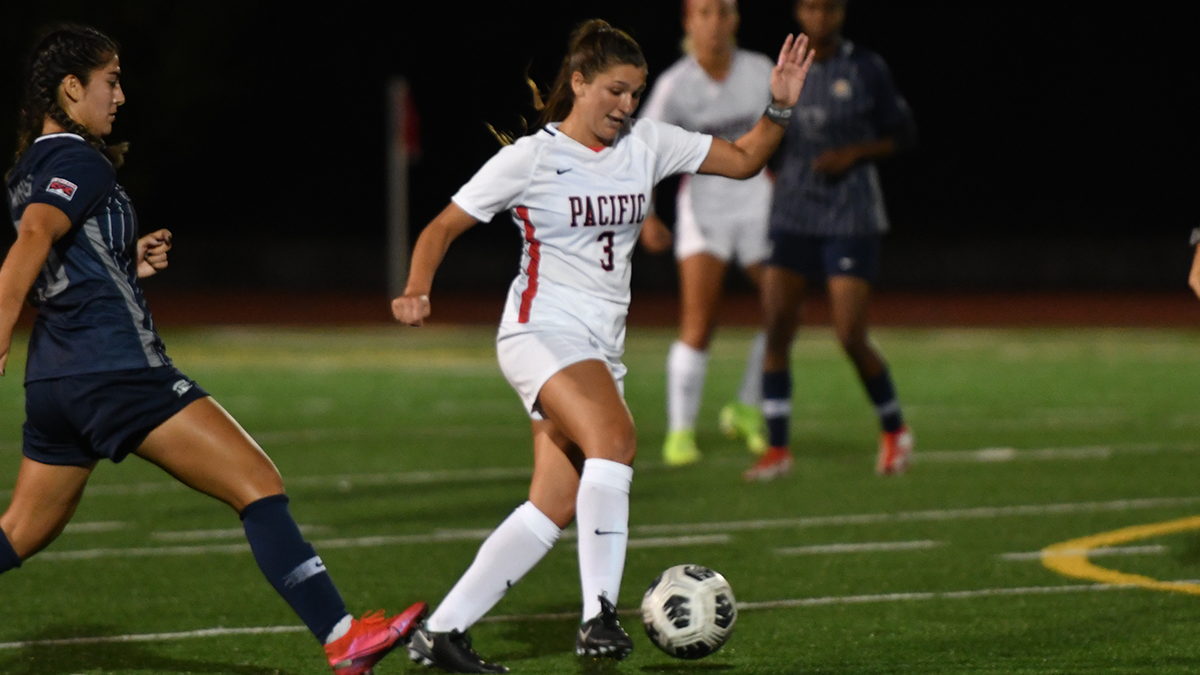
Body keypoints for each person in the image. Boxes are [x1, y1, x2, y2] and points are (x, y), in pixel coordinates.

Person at [0, 25, 426, 675]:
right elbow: (33, 238)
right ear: (70, 87)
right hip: (114, 369)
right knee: (258, 482)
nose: (120, 95)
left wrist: (127, 262)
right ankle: (341, 633)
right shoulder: (80, 158)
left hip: (55, 381)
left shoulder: (29, 165)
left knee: (19, 531)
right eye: (110, 81)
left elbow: (63, 263)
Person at [392, 19, 813, 673]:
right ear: (580, 83)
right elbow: (442, 226)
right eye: (615, 90)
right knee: (614, 440)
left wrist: (780, 104)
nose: (627, 105)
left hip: (597, 347)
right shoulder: (531, 158)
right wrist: (417, 287)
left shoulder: (647, 142)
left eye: (637, 93)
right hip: (538, 332)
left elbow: (746, 158)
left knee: (553, 501)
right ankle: (599, 615)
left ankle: (441, 632)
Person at [743, 0, 918, 481]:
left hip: (850, 214)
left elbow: (904, 133)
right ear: (799, 13)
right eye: (812, 8)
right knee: (777, 325)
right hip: (793, 212)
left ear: (841, 14)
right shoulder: (779, 66)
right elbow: (762, 130)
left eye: (830, 9)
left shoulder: (864, 67)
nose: (820, 17)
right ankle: (778, 450)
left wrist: (854, 154)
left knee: (848, 333)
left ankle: (894, 429)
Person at [638, 0, 775, 466]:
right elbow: (643, 151)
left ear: (736, 19)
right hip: (703, 208)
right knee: (699, 323)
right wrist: (647, 215)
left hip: (758, 203)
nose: (715, 22)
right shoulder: (675, 85)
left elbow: (793, 130)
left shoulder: (761, 71)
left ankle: (745, 408)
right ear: (688, 22)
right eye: (705, 12)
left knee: (784, 310)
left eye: (724, 12)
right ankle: (680, 433)